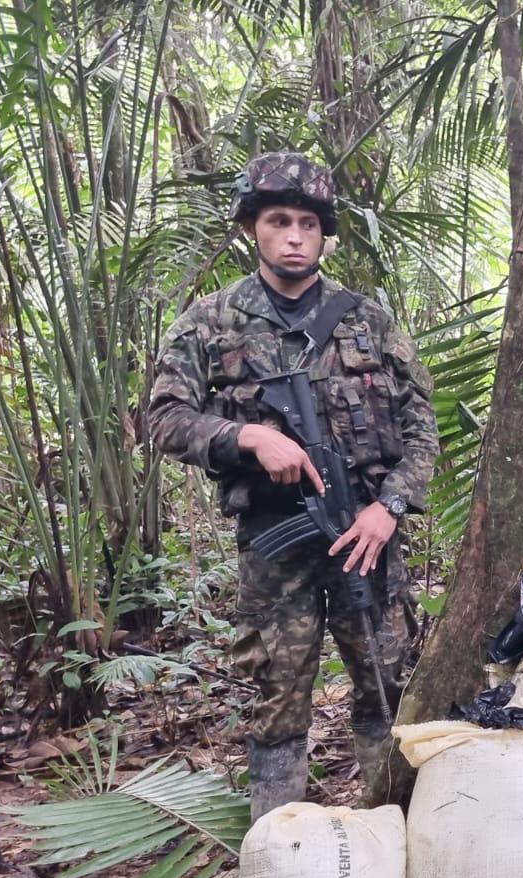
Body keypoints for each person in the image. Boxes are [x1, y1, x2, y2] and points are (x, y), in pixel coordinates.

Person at [149, 151, 438, 821]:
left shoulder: (368, 321)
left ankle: (396, 834)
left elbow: (424, 429)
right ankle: (282, 855)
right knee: (276, 704)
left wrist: (389, 508)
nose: (295, 235)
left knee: (386, 693)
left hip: (368, 543)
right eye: (279, 220)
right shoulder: (208, 323)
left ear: (323, 232)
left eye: (308, 222)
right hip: (275, 550)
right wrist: (248, 439)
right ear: (253, 226)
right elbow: (163, 419)